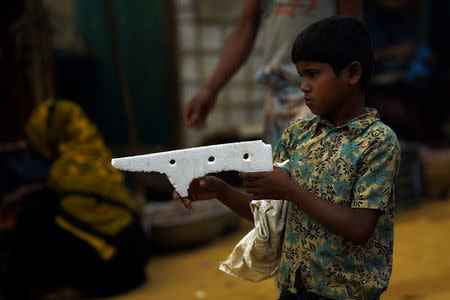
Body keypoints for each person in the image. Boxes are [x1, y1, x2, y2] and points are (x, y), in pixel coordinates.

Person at [175, 16, 401, 299]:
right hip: (293, 290)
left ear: (352, 73)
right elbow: (270, 218)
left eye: (313, 74)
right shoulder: (297, 134)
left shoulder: (377, 141)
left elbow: (359, 228)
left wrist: (290, 191)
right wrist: (221, 191)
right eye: (301, 76)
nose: (304, 86)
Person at [1, 99, 150, 299]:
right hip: (136, 262)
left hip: (112, 271)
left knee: (34, 213)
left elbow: (51, 194)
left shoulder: (64, 170)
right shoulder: (98, 156)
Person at [183, 0, 363, 146]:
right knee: (278, 174)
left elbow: (353, 33)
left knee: (310, 176)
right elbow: (245, 27)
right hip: (279, 95)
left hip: (323, 93)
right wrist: (210, 90)